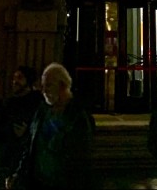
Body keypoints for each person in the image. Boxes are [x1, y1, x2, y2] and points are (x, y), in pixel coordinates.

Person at [7, 62, 94, 190]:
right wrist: (19, 174)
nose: (44, 91)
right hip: (38, 182)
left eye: (48, 85)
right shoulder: (42, 111)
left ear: (62, 86)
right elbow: (31, 146)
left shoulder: (78, 117)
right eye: (42, 86)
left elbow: (80, 160)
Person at [0, 66, 43, 185]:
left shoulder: (37, 103)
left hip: (26, 160)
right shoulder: (9, 103)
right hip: (6, 158)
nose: (15, 81)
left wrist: (24, 134)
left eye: (20, 78)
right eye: (14, 78)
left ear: (28, 81)